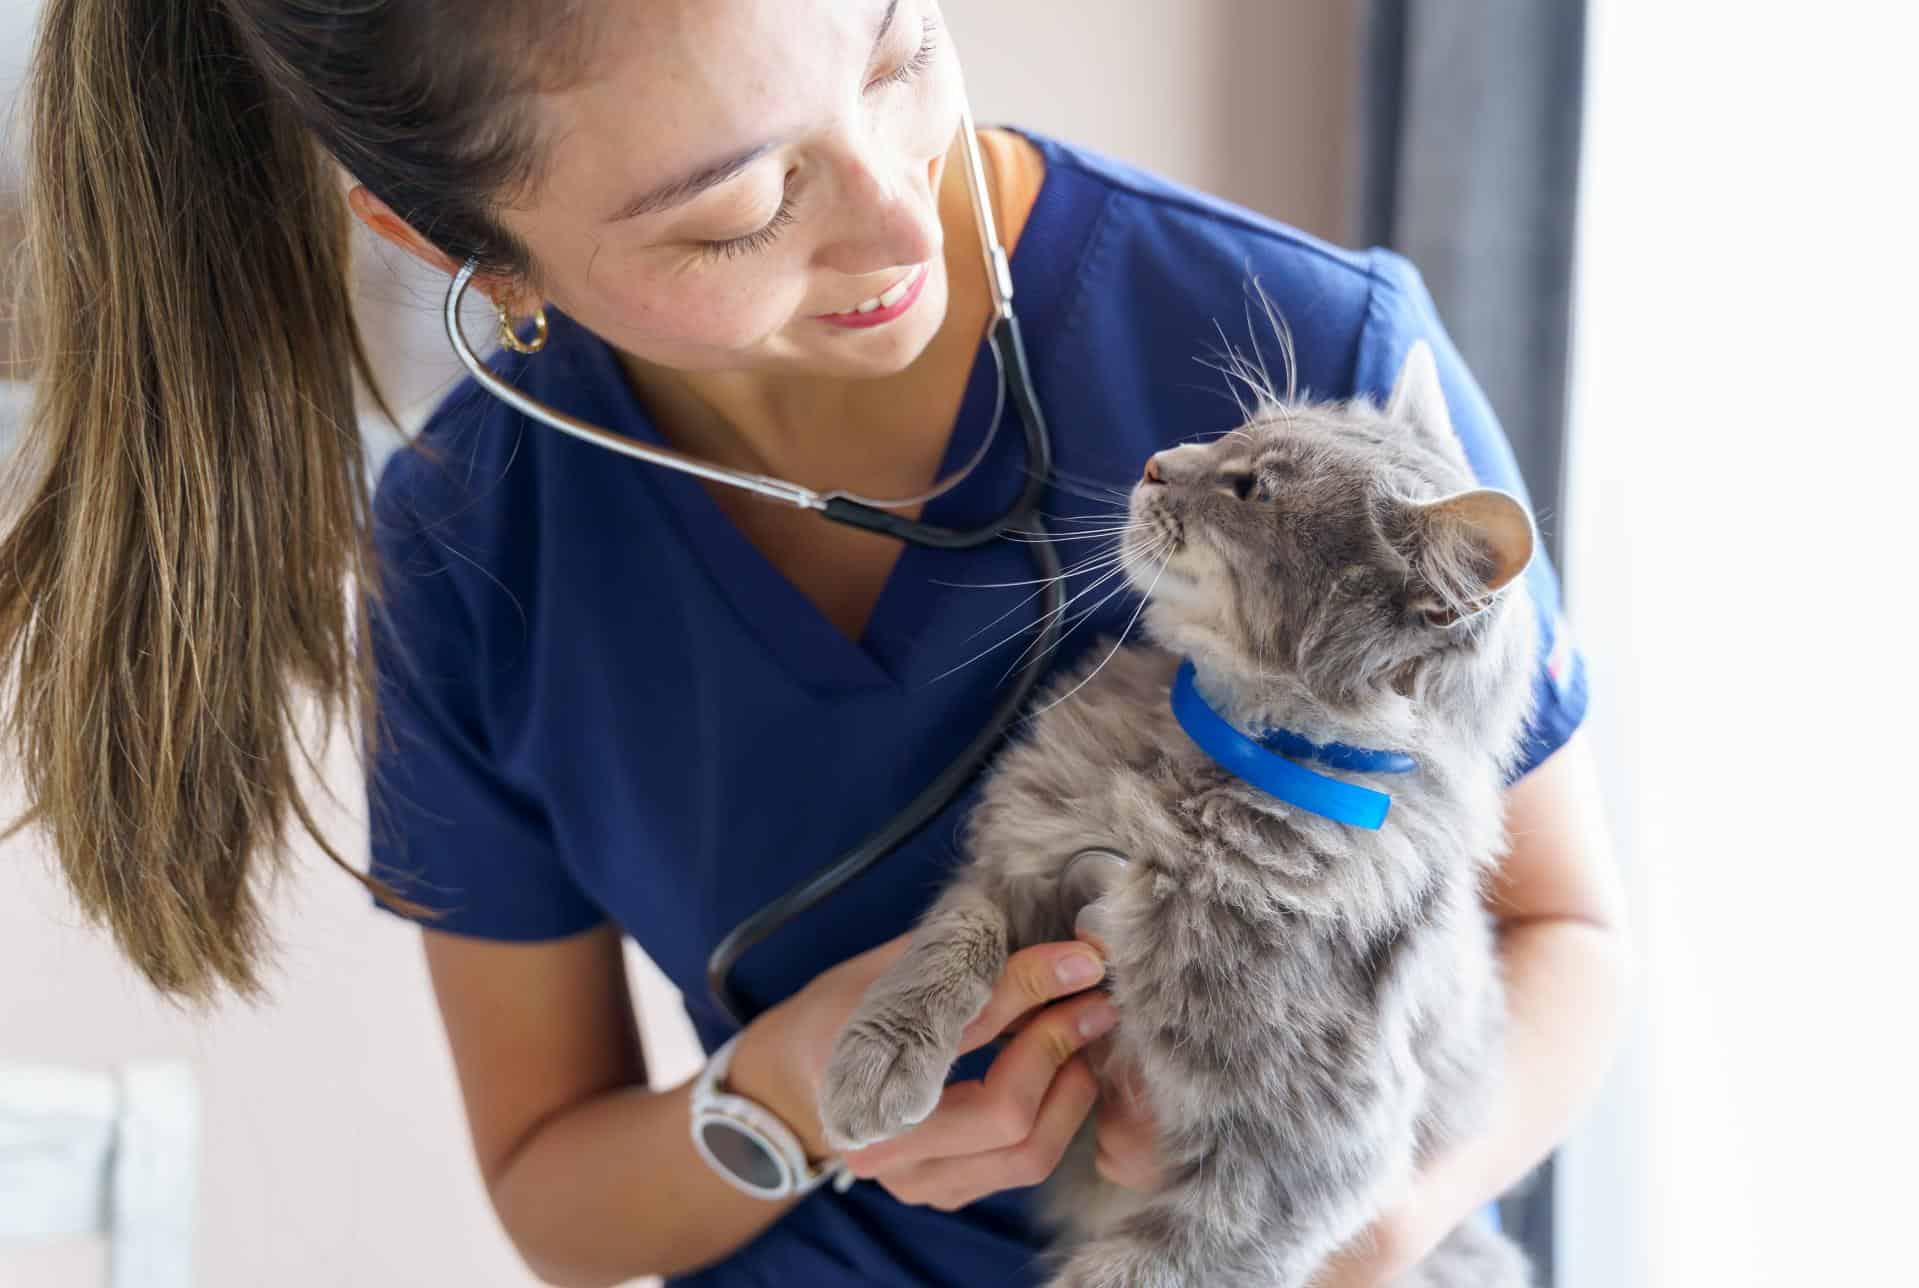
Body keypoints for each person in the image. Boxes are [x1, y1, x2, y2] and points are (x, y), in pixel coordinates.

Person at [2, 2, 1631, 1285]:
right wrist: (785, 1098)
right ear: (461, 253)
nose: (896, 224)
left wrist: (1347, 1216)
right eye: (743, 208)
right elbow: (554, 1201)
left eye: (899, 49)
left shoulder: (1321, 364)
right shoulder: (469, 549)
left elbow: (1565, 933)